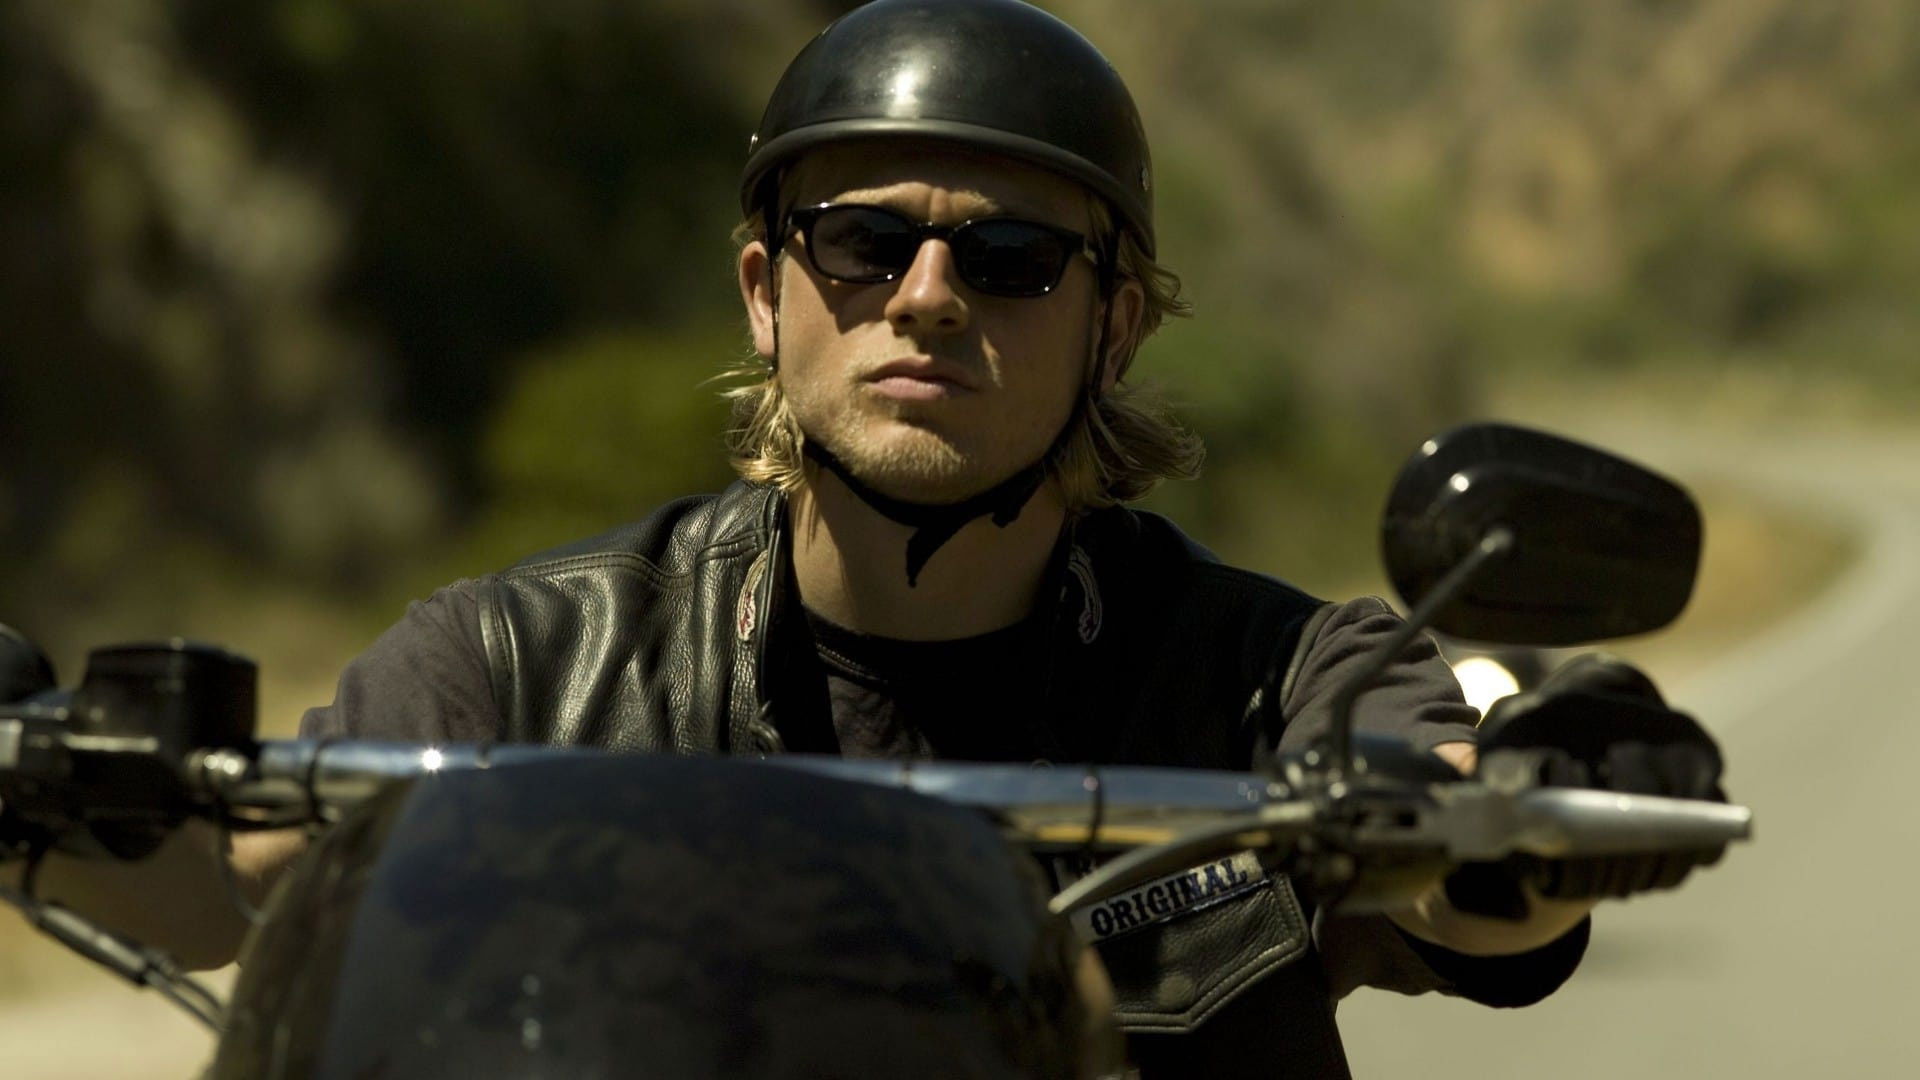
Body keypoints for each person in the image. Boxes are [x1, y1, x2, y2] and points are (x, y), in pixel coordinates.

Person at [15, 2, 1723, 1076]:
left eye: (1012, 260)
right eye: (862, 243)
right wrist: (48, 790)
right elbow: (233, 880)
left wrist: (1552, 784)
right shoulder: (526, 665)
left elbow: (1468, 869)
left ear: (1115, 324)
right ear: (769, 292)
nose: (927, 298)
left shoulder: (1270, 677)